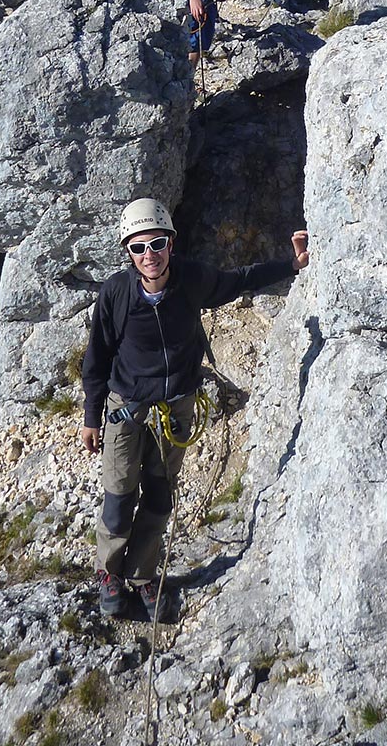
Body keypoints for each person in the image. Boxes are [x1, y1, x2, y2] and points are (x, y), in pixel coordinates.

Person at [81, 196, 310, 620]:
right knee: (118, 496)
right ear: (127, 252)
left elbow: (238, 279)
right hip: (126, 409)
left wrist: (292, 266)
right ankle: (109, 573)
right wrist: (91, 417)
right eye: (138, 247)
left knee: (160, 497)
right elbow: (96, 358)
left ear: (171, 243)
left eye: (157, 244)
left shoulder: (190, 280)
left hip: (176, 408)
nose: (149, 255)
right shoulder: (115, 293)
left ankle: (142, 574)